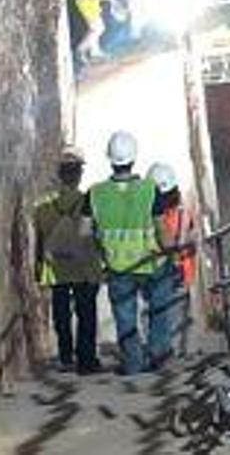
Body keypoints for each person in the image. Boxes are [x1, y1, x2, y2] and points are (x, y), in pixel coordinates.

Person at [86, 131, 175, 374]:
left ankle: (134, 363)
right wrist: (172, 254)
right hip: (150, 263)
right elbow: (161, 230)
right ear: (134, 158)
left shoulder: (94, 194)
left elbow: (85, 234)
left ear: (110, 159)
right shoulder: (150, 189)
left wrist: (100, 257)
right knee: (159, 310)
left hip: (118, 268)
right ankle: (159, 355)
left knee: (125, 318)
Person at [33, 146, 103, 374]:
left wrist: (38, 266)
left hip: (56, 267)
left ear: (60, 174)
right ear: (79, 174)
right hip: (83, 266)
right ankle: (86, 359)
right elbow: (91, 235)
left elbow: (40, 240)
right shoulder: (88, 202)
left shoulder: (42, 208)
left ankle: (65, 355)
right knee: (86, 313)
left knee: (61, 311)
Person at [147, 162, 198, 357]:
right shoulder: (182, 212)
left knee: (160, 314)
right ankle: (173, 353)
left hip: (166, 272)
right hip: (174, 272)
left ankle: (164, 352)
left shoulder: (152, 214)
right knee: (172, 317)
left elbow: (191, 240)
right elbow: (192, 241)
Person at [74, 0, 119, 66]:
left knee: (97, 31)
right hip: (91, 16)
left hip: (92, 15)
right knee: (96, 31)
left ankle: (95, 52)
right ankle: (80, 50)